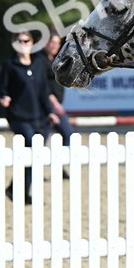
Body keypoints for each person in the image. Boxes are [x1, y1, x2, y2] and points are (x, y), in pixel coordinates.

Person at [0, 31, 59, 204]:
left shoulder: (38, 63)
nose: (22, 44)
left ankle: (18, 190)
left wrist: (50, 111)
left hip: (37, 115)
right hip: (18, 116)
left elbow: (43, 91)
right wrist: (4, 97)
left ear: (32, 43)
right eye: (19, 41)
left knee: (33, 153)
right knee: (32, 146)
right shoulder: (9, 65)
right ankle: (18, 190)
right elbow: (2, 87)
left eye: (26, 41)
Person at [42, 32, 74, 169]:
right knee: (41, 139)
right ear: (46, 43)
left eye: (57, 43)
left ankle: (60, 166)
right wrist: (54, 103)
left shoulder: (57, 59)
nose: (55, 46)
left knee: (66, 134)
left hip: (56, 104)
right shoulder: (40, 60)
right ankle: (36, 169)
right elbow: (42, 85)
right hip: (46, 106)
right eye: (52, 42)